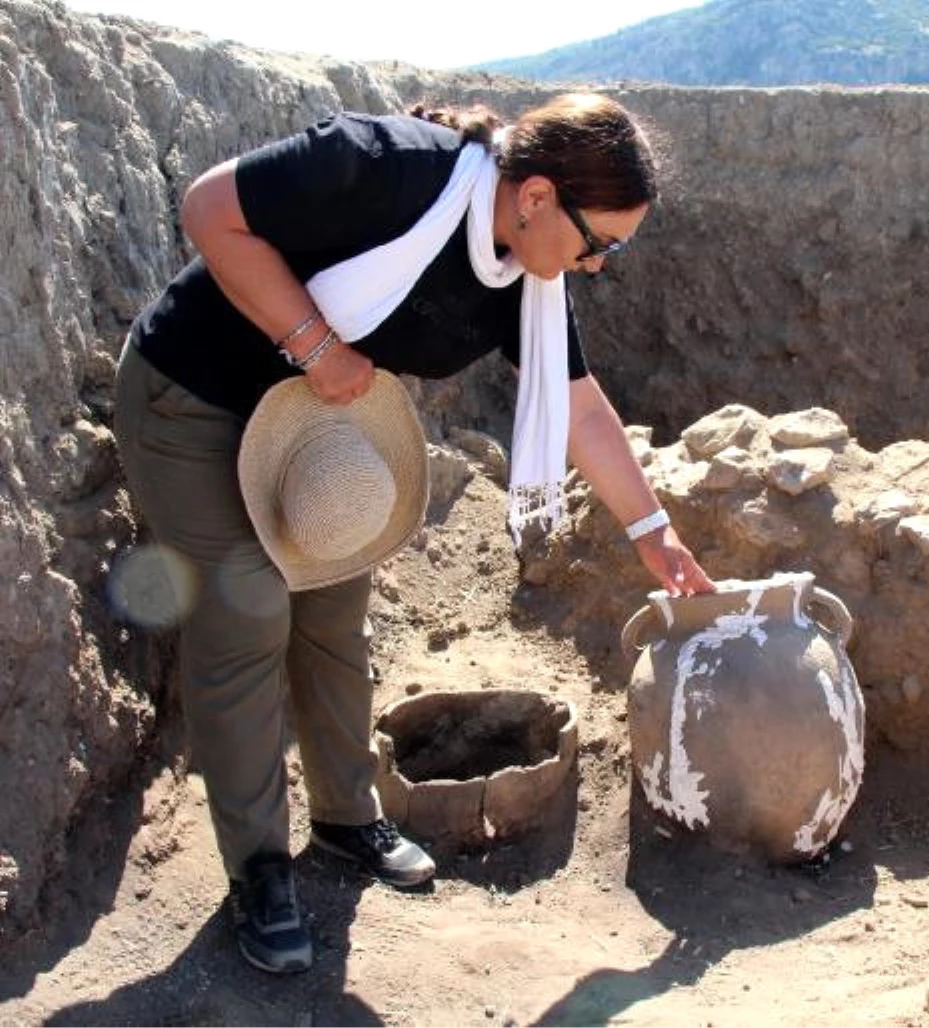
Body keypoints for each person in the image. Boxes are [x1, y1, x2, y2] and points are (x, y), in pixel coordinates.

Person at [112, 92, 714, 975]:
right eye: (601, 243)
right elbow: (207, 208)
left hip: (315, 437)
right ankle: (259, 871)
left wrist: (652, 532)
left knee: (330, 613)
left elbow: (582, 408)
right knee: (246, 618)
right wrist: (317, 346)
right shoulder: (385, 168)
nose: (597, 266)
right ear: (539, 196)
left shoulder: (523, 277)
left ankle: (347, 818)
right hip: (193, 400)